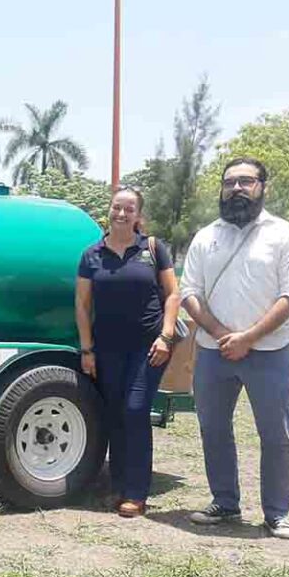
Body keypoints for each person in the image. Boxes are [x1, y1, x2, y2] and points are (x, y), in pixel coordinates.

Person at [181, 157, 289, 539]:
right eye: (229, 182)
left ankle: (276, 514)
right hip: (214, 353)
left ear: (262, 187)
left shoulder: (285, 235)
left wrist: (249, 337)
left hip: (269, 353)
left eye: (246, 182)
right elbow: (189, 292)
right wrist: (224, 335)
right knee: (214, 429)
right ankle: (225, 502)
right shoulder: (207, 237)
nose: (236, 189)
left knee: (276, 434)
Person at [75, 186, 180, 518]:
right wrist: (87, 348)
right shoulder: (92, 254)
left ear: (138, 216)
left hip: (148, 347)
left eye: (129, 209)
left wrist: (166, 336)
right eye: (117, 207)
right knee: (114, 415)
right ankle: (118, 487)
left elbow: (173, 294)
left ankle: (137, 492)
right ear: (110, 210)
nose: (121, 213)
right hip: (107, 348)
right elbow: (82, 303)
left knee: (135, 410)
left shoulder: (152, 248)